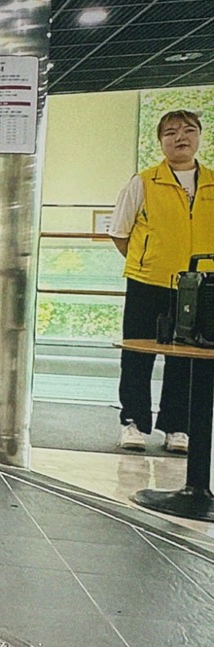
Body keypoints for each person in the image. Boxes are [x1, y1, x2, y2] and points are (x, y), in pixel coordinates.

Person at [109, 110, 214, 453]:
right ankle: (133, 422)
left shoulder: (213, 182)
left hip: (199, 287)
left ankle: (177, 428)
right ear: (161, 142)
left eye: (188, 131)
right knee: (137, 355)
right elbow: (120, 232)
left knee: (187, 357)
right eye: (170, 133)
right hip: (147, 281)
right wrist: (147, 261)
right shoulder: (143, 181)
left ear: (200, 136)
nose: (180, 137)